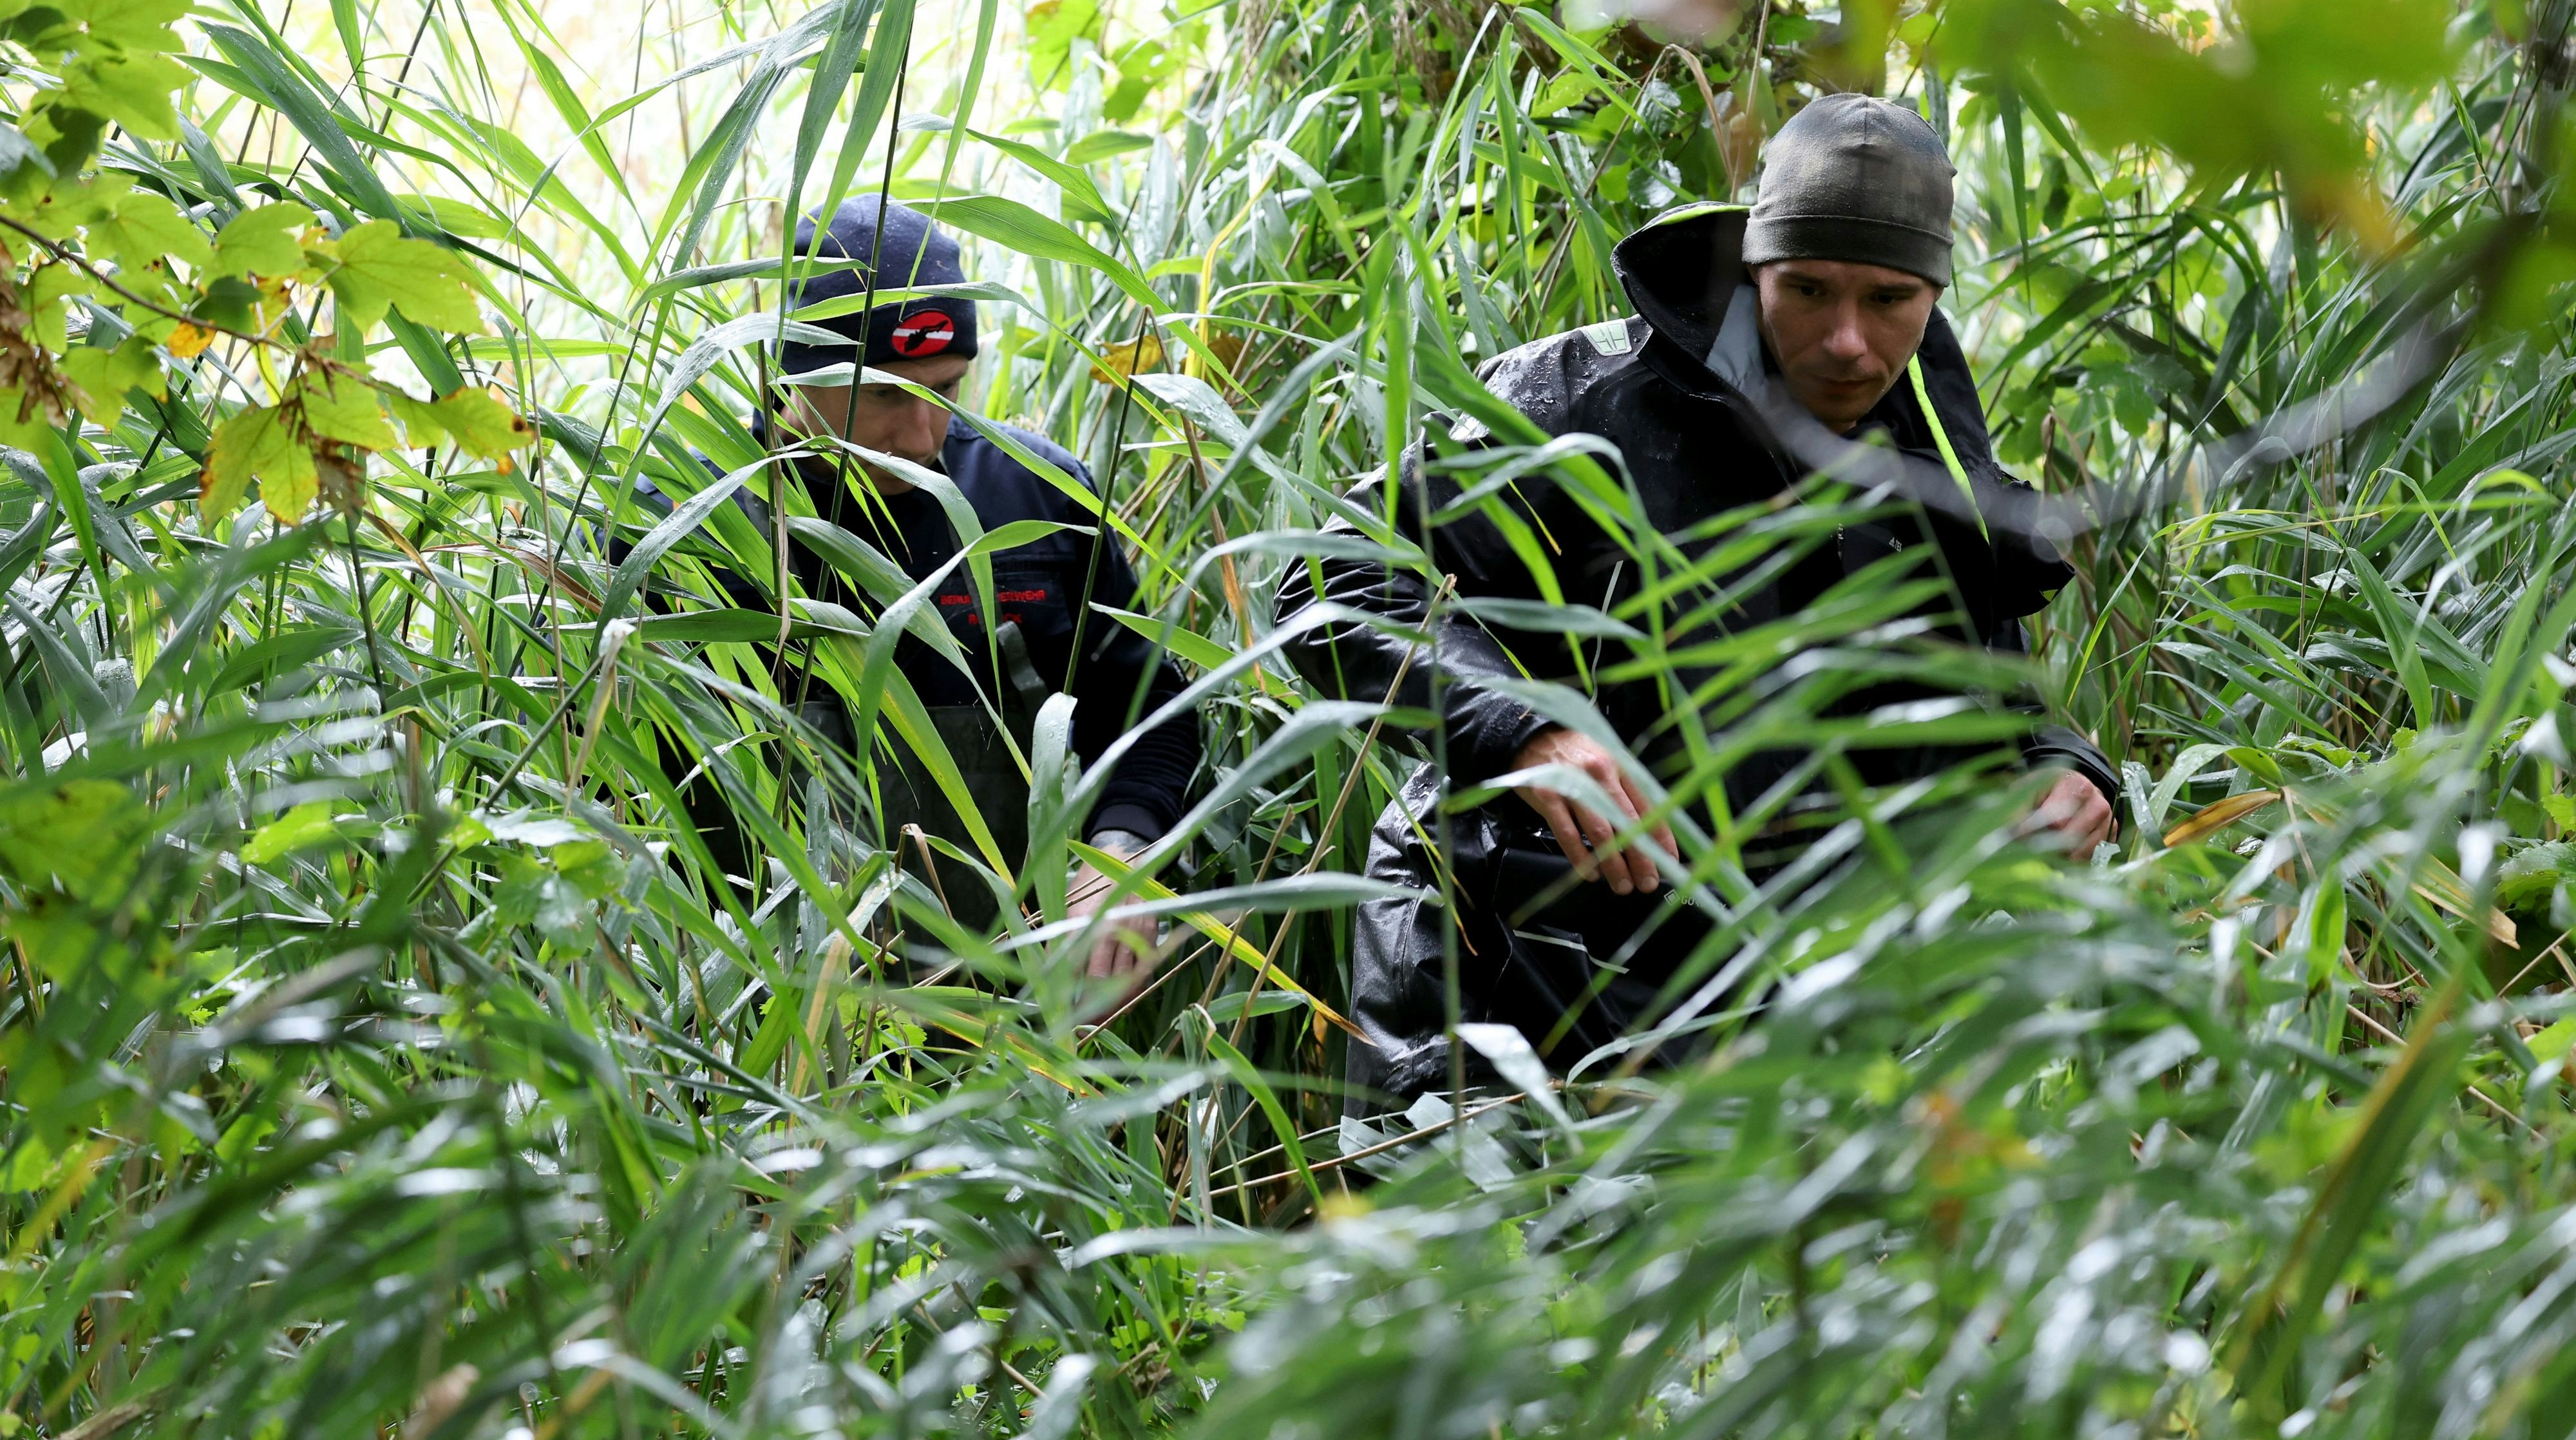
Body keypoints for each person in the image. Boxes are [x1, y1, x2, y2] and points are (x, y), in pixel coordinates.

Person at [1278, 95, 2120, 1099]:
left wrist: (2061, 768)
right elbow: (1334, 579)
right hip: (1501, 992)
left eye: (1889, 300)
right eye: (1808, 289)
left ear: (1933, 292)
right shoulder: (1577, 401)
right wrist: (1527, 727)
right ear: (1756, 262)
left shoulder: (1929, 442)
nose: (1848, 340)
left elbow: (1976, 678)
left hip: (1780, 1022)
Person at [647, 197, 1197, 978]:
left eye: (946, 388)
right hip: (759, 1036)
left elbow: (1150, 720)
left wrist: (1119, 859)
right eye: (884, 395)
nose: (920, 439)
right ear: (797, 368)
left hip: (1011, 1014)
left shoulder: (1038, 500)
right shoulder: (681, 529)